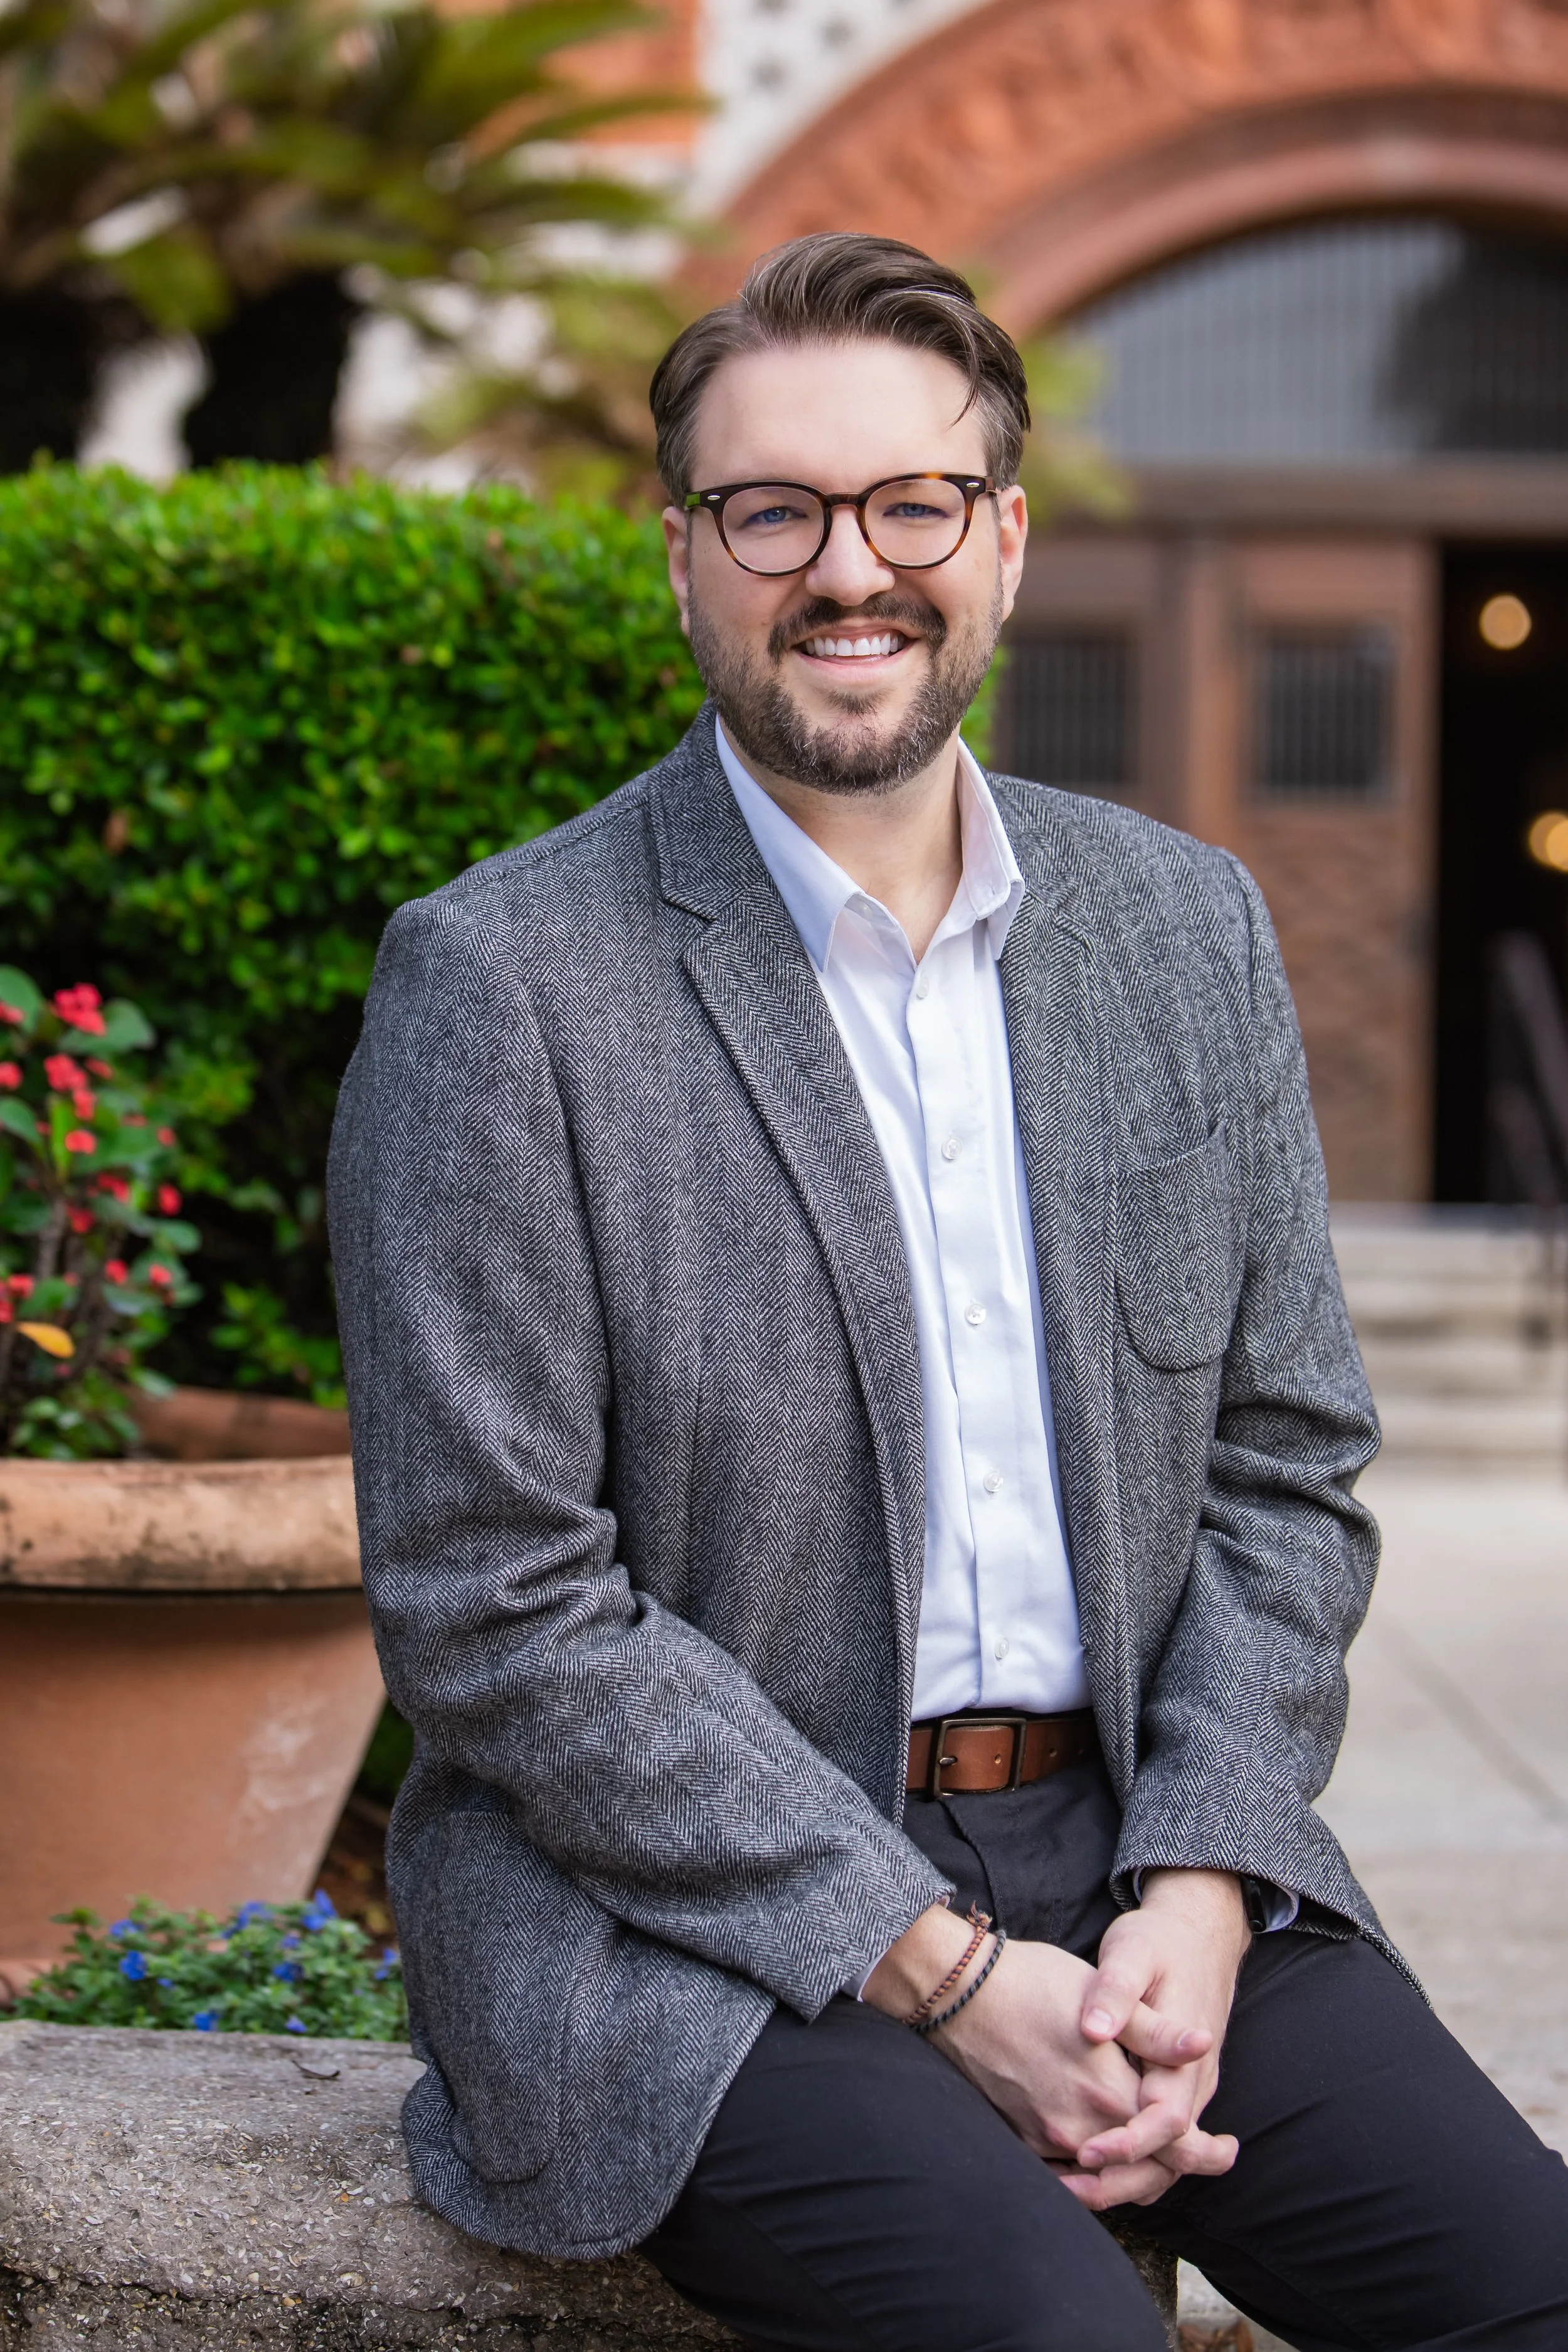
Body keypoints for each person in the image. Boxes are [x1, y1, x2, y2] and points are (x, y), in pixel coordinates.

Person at [326, 233, 1568, 2352]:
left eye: (910, 504)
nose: (847, 569)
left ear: (998, 538)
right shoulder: (505, 986)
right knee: (1050, 2333)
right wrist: (947, 1969)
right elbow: (495, 1606)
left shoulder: (1184, 928)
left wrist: (1196, 1873)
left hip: (1134, 1848)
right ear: (683, 555)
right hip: (681, 1921)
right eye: (771, 509)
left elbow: (1286, 1464)